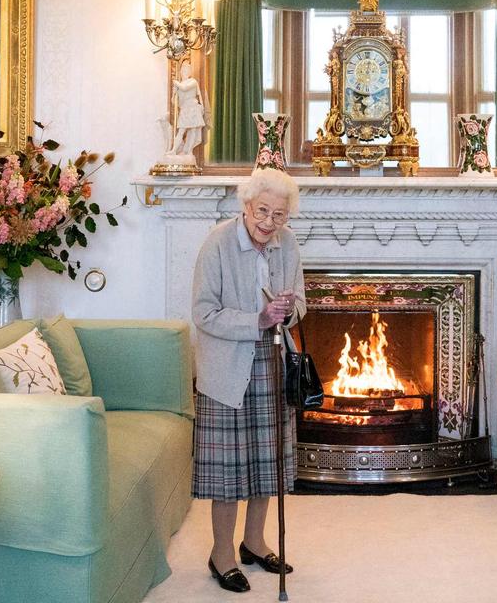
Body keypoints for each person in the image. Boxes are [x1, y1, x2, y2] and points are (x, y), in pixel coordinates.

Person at [191, 168, 305, 594]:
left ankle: (254, 543)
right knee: (229, 470)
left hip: (273, 362)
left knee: (266, 461)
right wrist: (257, 319)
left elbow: (301, 303)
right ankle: (221, 554)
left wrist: (288, 310)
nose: (269, 222)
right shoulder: (218, 242)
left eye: (279, 214)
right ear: (245, 205)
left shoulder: (287, 243)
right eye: (263, 211)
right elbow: (203, 313)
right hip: (226, 367)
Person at [172, 61, 207, 156]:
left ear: (189, 72)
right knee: (181, 131)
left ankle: (188, 152)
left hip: (193, 108)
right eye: (183, 70)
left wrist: (176, 84)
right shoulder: (179, 85)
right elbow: (174, 102)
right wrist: (174, 93)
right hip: (184, 109)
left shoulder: (192, 81)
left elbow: (185, 88)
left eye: (187, 70)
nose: (185, 72)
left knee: (193, 131)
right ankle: (173, 150)